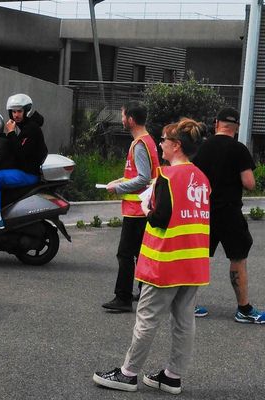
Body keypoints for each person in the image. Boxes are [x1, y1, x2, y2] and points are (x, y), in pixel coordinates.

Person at [94, 118, 211, 394]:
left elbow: (160, 218)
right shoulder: (202, 178)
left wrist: (146, 207)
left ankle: (128, 373)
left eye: (164, 141)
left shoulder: (167, 177)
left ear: (176, 146)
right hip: (193, 262)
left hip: (166, 262)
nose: (161, 145)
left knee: (147, 319)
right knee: (184, 321)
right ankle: (172, 376)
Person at [193, 107, 265, 323]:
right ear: (237, 127)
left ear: (216, 123)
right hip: (230, 212)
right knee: (238, 257)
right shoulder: (239, 149)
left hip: (204, 210)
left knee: (199, 256)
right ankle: (244, 309)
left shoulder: (203, 148)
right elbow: (249, 183)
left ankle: (189, 305)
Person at [102, 101, 160, 312]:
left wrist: (118, 189)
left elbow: (143, 179)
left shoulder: (139, 144)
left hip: (137, 211)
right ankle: (144, 292)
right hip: (143, 208)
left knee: (125, 254)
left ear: (131, 120)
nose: (122, 119)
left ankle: (123, 298)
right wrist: (119, 181)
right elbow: (138, 175)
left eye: (123, 115)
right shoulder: (148, 141)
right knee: (140, 253)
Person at [0, 93, 48, 231]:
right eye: (13, 111)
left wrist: (11, 133)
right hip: (25, 171)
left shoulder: (31, 129)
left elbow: (21, 153)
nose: (16, 115)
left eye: (19, 111)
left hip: (28, 174)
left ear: (27, 111)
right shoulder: (27, 127)